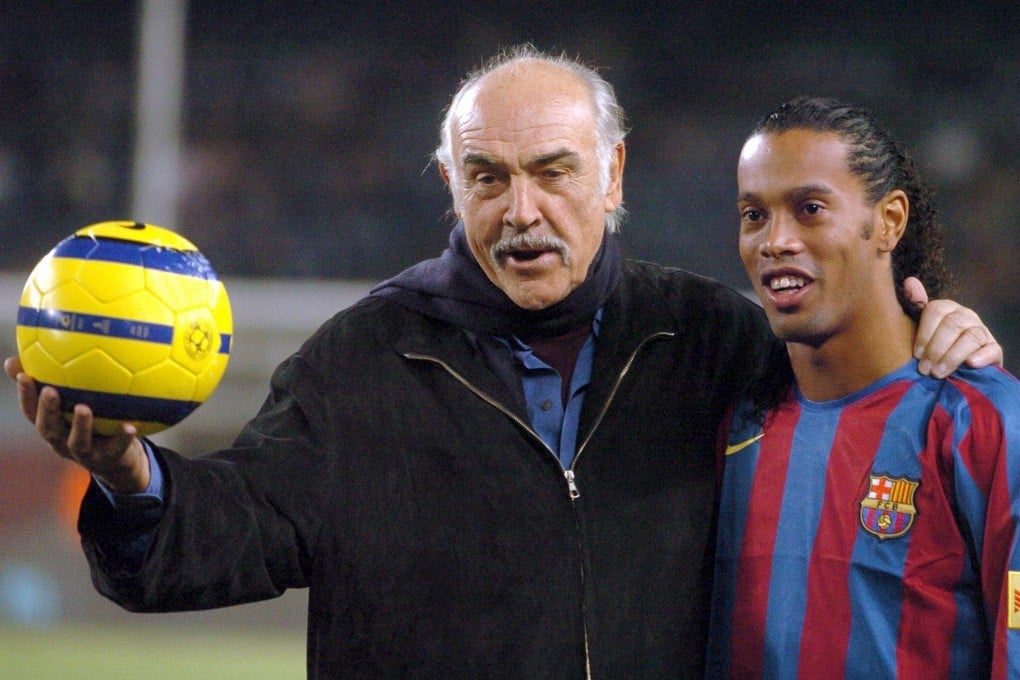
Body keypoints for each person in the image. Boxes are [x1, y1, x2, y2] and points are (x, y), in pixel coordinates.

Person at [4, 48, 1001, 679]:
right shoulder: (363, 358)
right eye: (488, 175)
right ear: (451, 183)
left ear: (612, 177)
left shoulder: (709, 340)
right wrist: (132, 478)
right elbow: (234, 527)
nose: (521, 209)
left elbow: (853, 391)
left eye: (553, 172)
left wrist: (934, 327)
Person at [707, 96, 1020, 679]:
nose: (775, 240)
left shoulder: (984, 422)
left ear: (889, 221)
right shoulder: (730, 422)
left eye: (810, 209)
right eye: (754, 215)